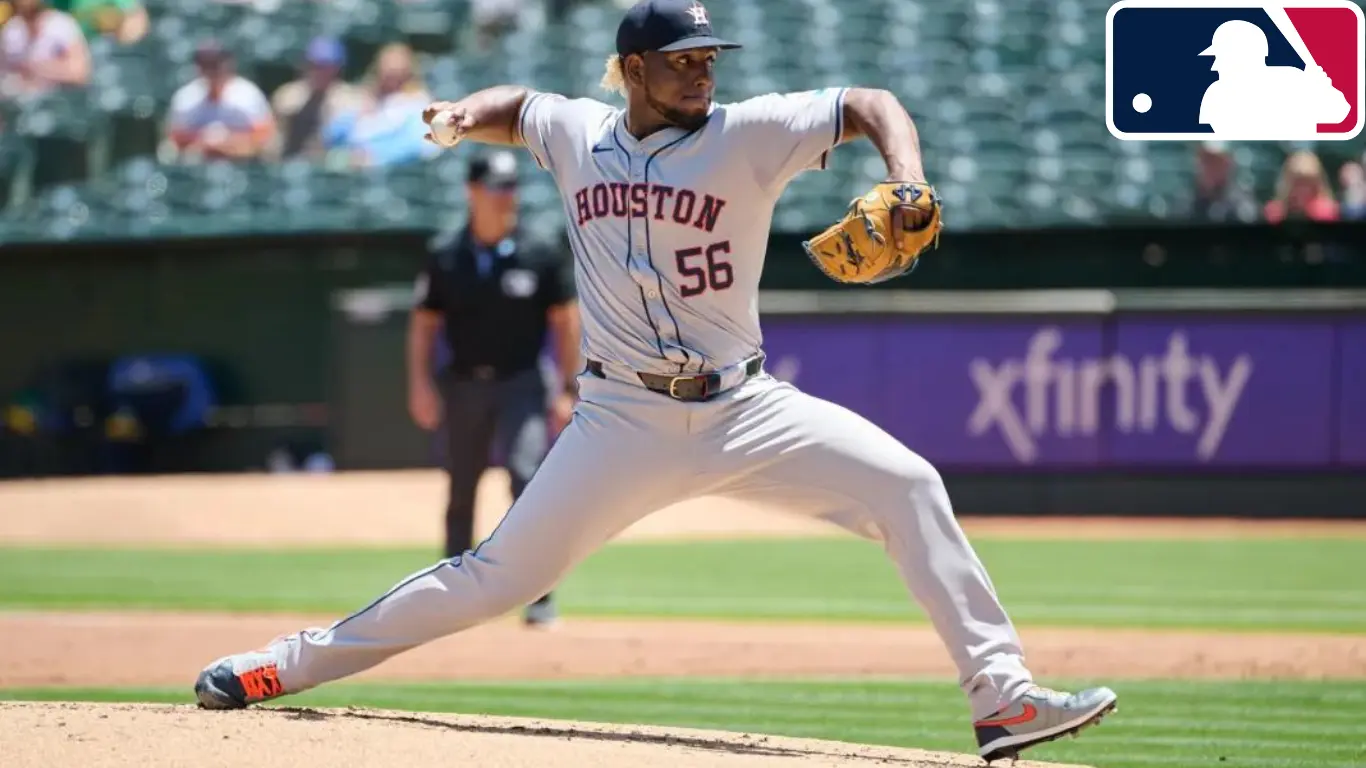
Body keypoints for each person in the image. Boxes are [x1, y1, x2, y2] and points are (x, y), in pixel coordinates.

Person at [192, 1, 1118, 762]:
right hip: (620, 418)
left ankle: (1001, 701)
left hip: (747, 407)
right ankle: (284, 665)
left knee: (909, 484)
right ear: (632, 69)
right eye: (682, 59)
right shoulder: (578, 131)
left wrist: (906, 177)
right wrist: (464, 113)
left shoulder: (749, 133)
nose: (703, 70)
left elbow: (870, 100)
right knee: (491, 579)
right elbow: (520, 106)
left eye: (710, 55)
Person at [407, 149, 580, 628]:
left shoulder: (539, 250)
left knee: (528, 480)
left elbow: (566, 323)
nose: (506, 198)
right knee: (462, 488)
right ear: (472, 192)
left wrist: (567, 387)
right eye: (495, 188)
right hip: (463, 383)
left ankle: (539, 594)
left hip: (523, 383)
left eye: (511, 188)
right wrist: (420, 384)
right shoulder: (446, 253)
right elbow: (423, 324)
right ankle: (449, 598)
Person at [320, 42, 435, 169]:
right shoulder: (363, 99)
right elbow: (332, 136)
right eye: (386, 74)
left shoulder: (416, 103)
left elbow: (419, 146)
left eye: (396, 75)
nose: (390, 80)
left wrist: (375, 157)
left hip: (392, 175)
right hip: (351, 170)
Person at [164, 41, 276, 162]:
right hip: (198, 161)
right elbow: (175, 136)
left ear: (228, 64)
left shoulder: (248, 94)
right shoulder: (186, 97)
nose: (211, 70)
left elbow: (264, 134)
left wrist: (227, 143)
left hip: (242, 161)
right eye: (205, 64)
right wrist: (205, 141)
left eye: (216, 64)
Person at [269, 36, 364, 161]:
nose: (319, 71)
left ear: (337, 68)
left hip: (331, 169)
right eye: (314, 65)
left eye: (325, 66)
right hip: (289, 165)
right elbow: (273, 140)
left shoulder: (351, 99)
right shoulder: (288, 95)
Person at [0, 0, 90, 98]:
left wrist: (40, 68)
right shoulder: (11, 30)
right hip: (20, 102)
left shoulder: (61, 24)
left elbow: (80, 73)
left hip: (58, 101)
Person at [1263, 150, 1339, 224]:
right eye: (1298, 184)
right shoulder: (1275, 213)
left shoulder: (1326, 213)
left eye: (1307, 184)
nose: (1302, 190)